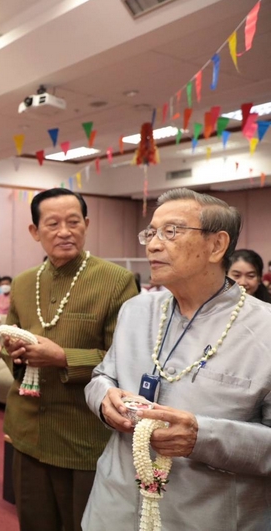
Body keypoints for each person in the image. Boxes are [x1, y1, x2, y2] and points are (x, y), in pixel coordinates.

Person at [84, 189, 271, 530]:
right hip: (114, 507)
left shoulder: (264, 330)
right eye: (151, 232)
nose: (153, 245)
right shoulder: (137, 310)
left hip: (206, 515)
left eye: (171, 232)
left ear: (216, 245)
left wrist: (203, 437)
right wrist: (103, 400)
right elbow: (101, 376)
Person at [1, 188, 138, 531]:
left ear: (86, 225)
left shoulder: (116, 281)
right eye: (53, 224)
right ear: (35, 232)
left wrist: (63, 357)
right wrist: (14, 353)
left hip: (84, 438)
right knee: (33, 523)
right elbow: (8, 342)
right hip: (28, 433)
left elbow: (127, 362)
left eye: (73, 222)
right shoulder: (22, 283)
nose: (65, 231)